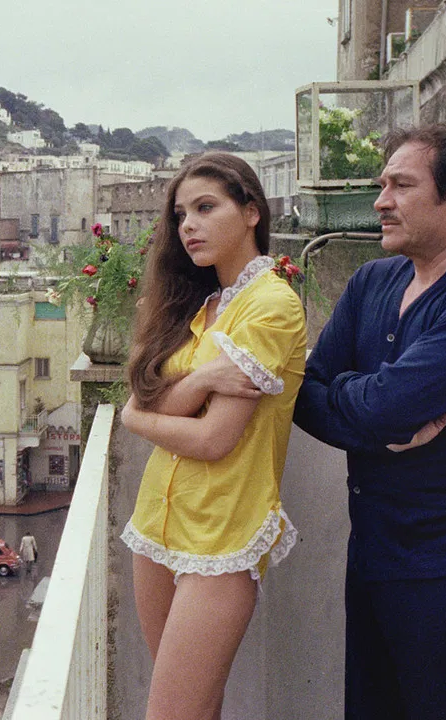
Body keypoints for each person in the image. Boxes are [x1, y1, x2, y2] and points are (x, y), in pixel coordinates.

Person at [293, 125, 446, 719]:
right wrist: (379, 414)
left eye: (401, 186)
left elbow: (386, 405)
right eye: (382, 185)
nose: (380, 202)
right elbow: (303, 395)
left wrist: (366, 401)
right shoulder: (372, 281)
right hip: (373, 554)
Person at [119, 152, 306, 720]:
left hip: (222, 535)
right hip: (158, 522)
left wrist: (137, 417)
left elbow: (213, 439)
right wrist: (199, 380)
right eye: (181, 215)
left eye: (206, 208)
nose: (189, 226)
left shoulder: (270, 305)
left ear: (251, 212)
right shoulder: (200, 306)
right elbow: (146, 395)